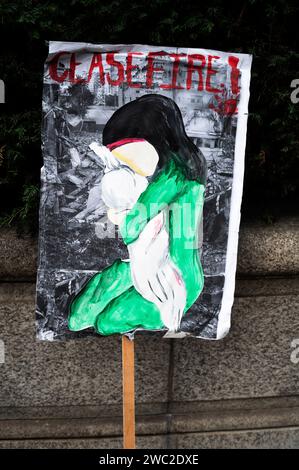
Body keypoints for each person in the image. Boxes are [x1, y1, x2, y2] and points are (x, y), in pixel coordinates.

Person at [68, 94, 207, 336]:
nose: (118, 159)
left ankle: (123, 284)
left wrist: (121, 201)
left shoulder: (173, 179)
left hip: (175, 282)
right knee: (79, 318)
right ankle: (119, 279)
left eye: (121, 152)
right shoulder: (179, 173)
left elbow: (132, 227)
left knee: (105, 323)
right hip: (150, 269)